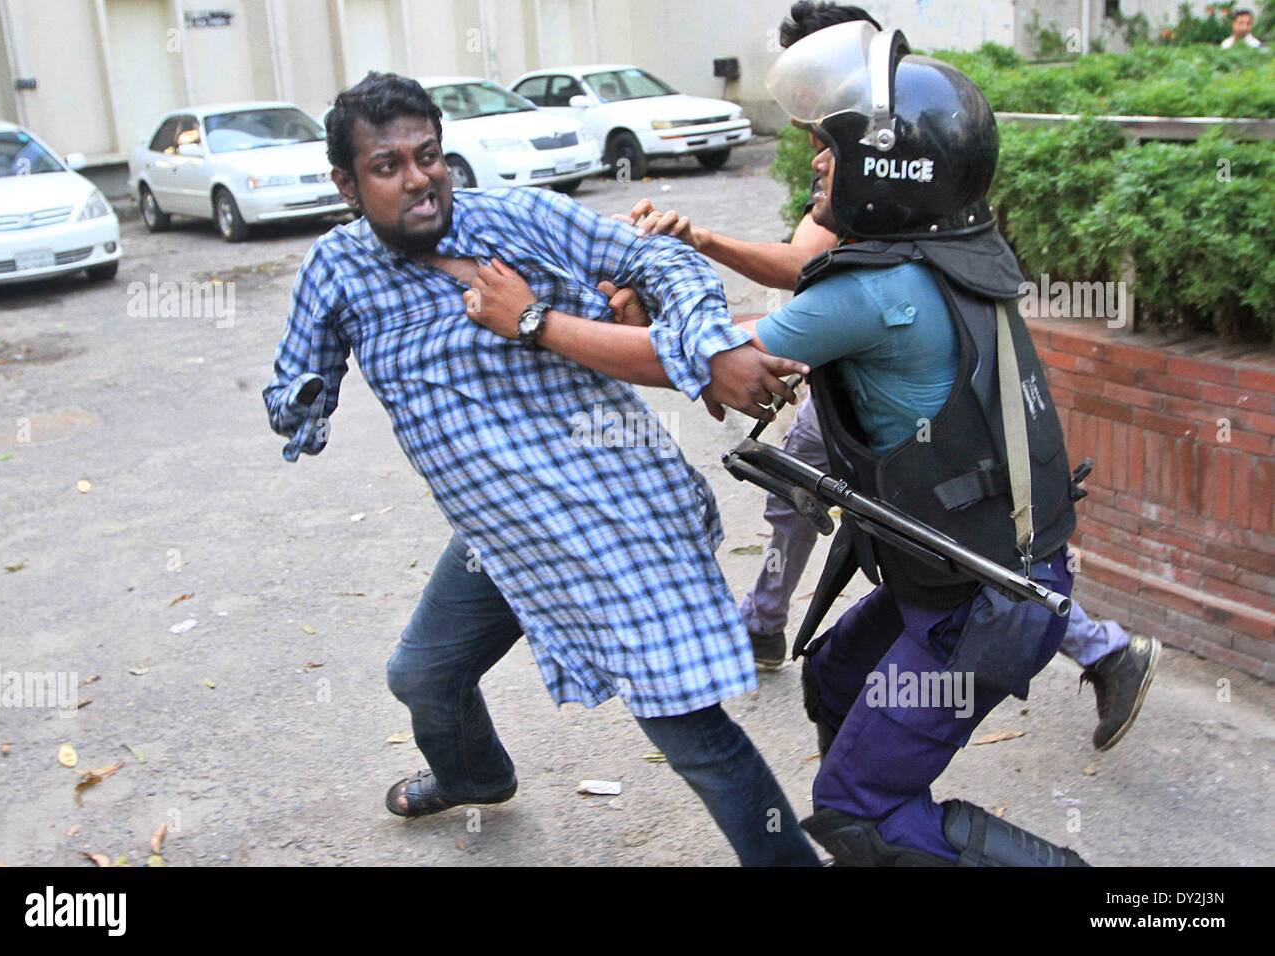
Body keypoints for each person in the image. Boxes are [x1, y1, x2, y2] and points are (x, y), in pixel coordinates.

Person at [465, 21, 1094, 865]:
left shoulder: (882, 289)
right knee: (834, 678)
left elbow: (721, 361)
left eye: (829, 149)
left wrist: (534, 321)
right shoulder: (943, 249)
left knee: (855, 813)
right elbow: (768, 323)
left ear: (888, 167)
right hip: (962, 577)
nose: (815, 164)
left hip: (987, 602)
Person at [262, 71, 819, 866]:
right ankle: (476, 776)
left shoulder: (517, 220)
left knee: (689, 731)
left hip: (607, 522)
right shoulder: (336, 271)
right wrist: (306, 397)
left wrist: (709, 343)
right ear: (346, 185)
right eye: (389, 167)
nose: (419, 178)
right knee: (423, 676)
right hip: (497, 537)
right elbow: (292, 384)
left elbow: (660, 263)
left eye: (429, 156)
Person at [619, 0, 1160, 756]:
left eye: (820, 109)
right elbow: (817, 264)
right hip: (866, 355)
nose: (812, 136)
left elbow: (806, 274)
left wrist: (559, 321)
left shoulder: (890, 150)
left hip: (870, 356)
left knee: (880, 507)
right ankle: (780, 627)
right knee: (852, 515)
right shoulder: (891, 166)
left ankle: (770, 626)